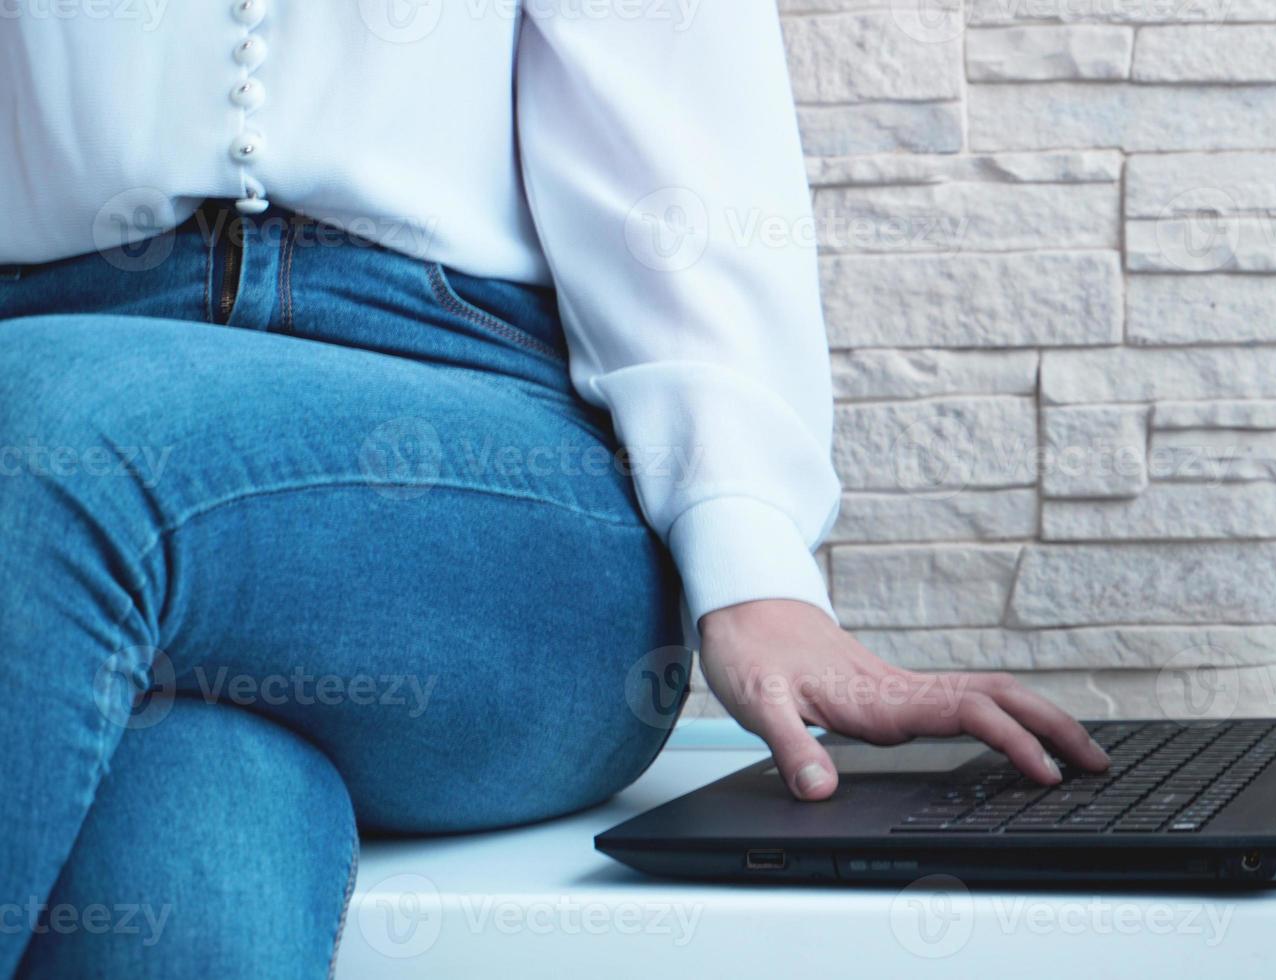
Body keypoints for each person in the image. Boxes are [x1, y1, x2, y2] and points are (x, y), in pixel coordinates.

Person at [0, 5, 1109, 976]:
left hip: (480, 490)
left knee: (41, 436)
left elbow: (680, 166)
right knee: (188, 826)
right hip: (58, 537)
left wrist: (753, 557)